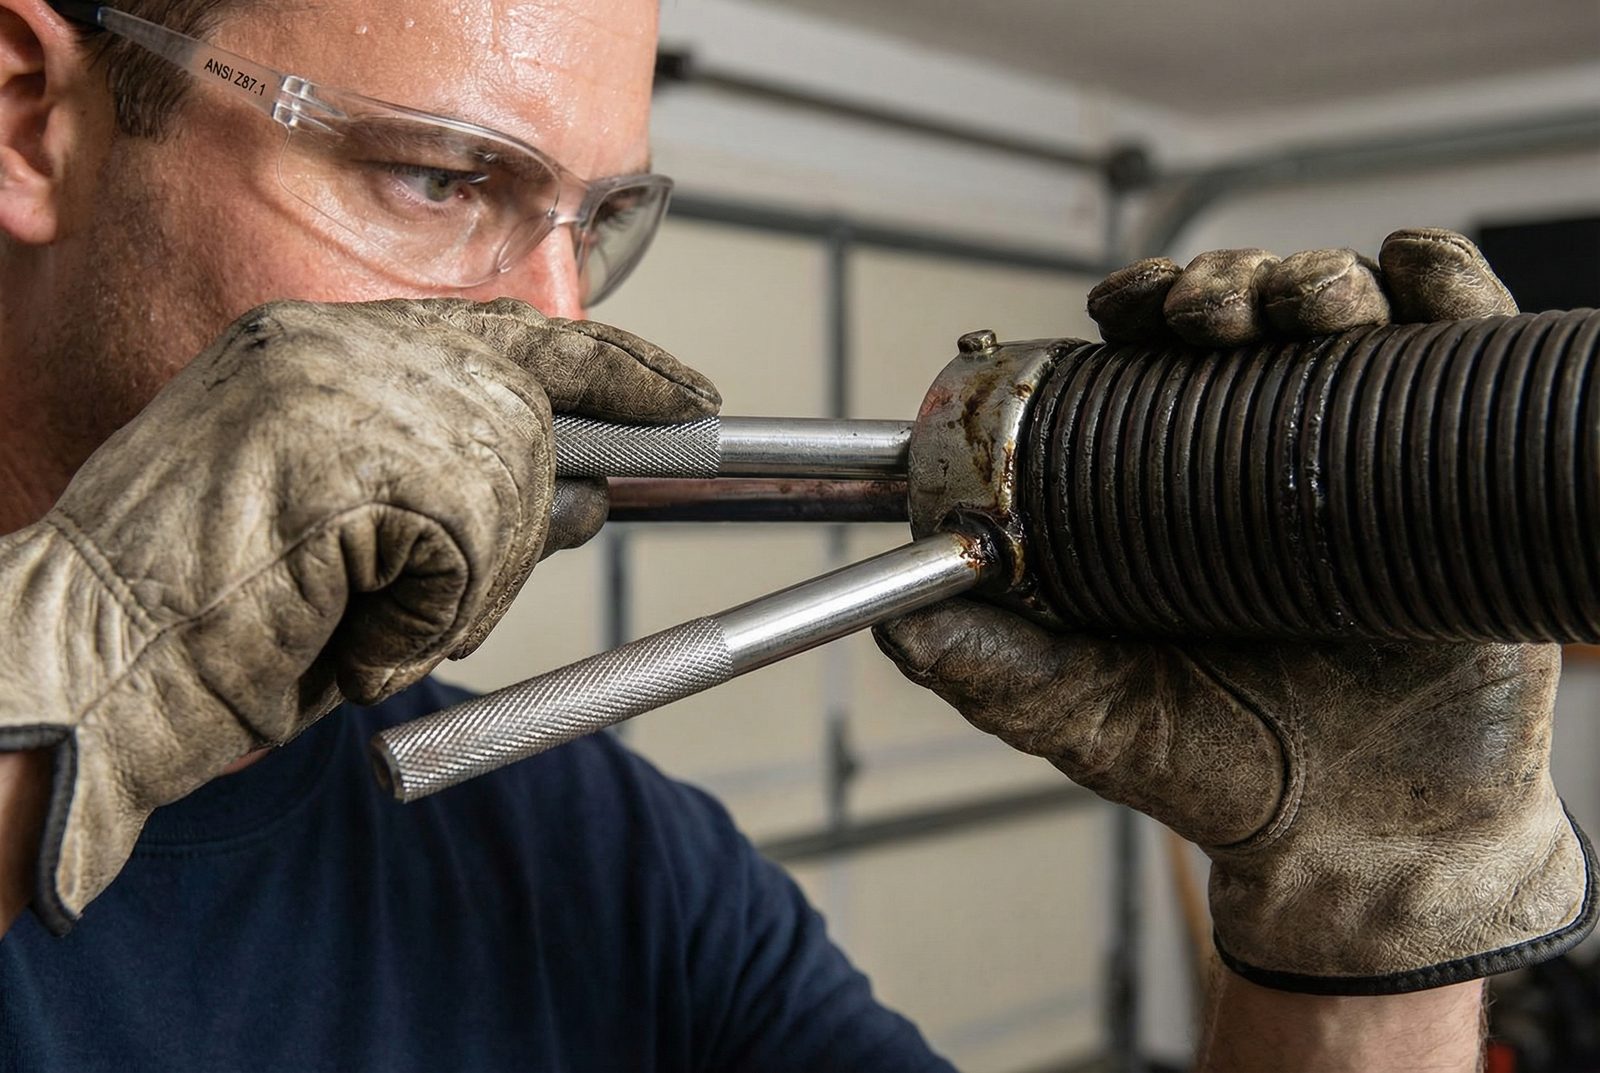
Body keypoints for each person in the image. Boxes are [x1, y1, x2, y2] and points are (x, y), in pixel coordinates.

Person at [0, 0, 1588, 1068]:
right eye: (435, 176)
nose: (545, 317)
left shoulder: (599, 864)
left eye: (595, 221)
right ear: (27, 118)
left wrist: (1368, 919)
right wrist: (73, 671)